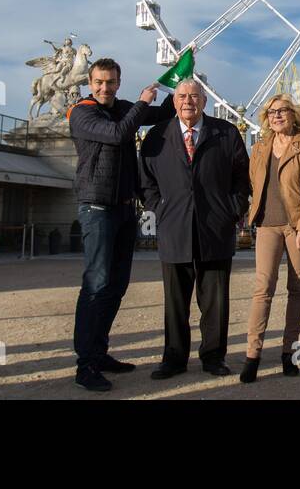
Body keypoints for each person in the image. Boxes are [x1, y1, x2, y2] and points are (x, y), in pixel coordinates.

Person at [67, 57, 174, 392]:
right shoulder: (82, 113)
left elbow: (161, 115)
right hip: (97, 207)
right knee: (96, 284)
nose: (104, 87)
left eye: (111, 82)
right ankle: (85, 364)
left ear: (118, 82)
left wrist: (178, 83)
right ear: (89, 81)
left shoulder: (122, 107)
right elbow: (116, 134)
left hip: (126, 208)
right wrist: (141, 102)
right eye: (99, 82)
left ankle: (99, 353)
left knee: (117, 285)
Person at [138, 78, 250, 379]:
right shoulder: (157, 136)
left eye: (195, 96)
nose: (188, 101)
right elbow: (145, 181)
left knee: (215, 301)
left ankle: (214, 357)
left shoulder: (225, 133)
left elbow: (242, 177)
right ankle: (173, 358)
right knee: (175, 302)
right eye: (183, 96)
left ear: (204, 101)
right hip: (174, 228)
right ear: (174, 102)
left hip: (215, 228)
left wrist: (232, 211)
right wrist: (159, 209)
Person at [240, 93, 300, 382]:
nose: (277, 115)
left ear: (294, 114)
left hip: (296, 225)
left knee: (297, 289)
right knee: (263, 289)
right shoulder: (260, 147)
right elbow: (254, 182)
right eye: (272, 112)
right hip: (266, 224)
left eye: (283, 111)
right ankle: (253, 355)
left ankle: (289, 353)